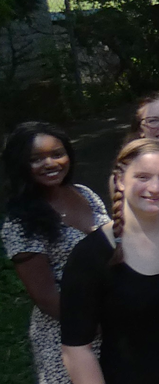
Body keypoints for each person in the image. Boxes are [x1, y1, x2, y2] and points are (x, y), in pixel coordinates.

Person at [60, 139, 159, 384]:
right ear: (120, 180)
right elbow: (77, 348)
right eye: (142, 177)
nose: (154, 187)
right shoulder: (91, 256)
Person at [1, 122, 107, 384]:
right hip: (71, 335)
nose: (50, 163)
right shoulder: (20, 222)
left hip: (112, 321)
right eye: (36, 159)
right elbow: (47, 298)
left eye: (57, 154)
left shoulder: (85, 194)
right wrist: (101, 324)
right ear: (20, 165)